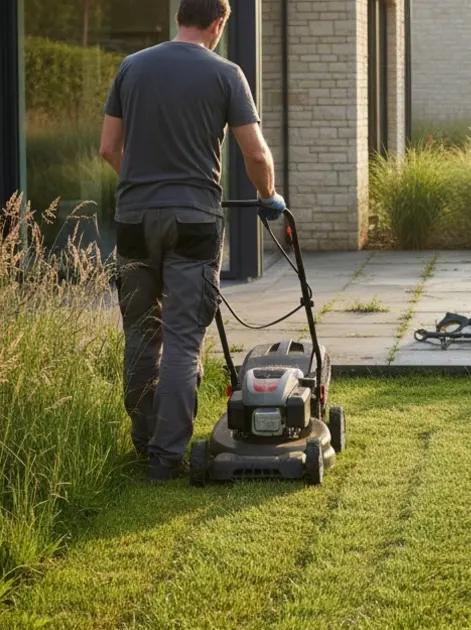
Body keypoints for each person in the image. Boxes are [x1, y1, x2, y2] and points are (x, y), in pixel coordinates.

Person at [99, 0, 284, 481]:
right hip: (194, 222)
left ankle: (144, 443)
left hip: (134, 219)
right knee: (182, 340)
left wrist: (143, 187)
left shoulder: (131, 67)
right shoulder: (226, 74)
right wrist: (268, 196)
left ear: (180, 16)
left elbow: (108, 148)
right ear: (218, 23)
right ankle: (166, 458)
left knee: (141, 335)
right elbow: (255, 153)